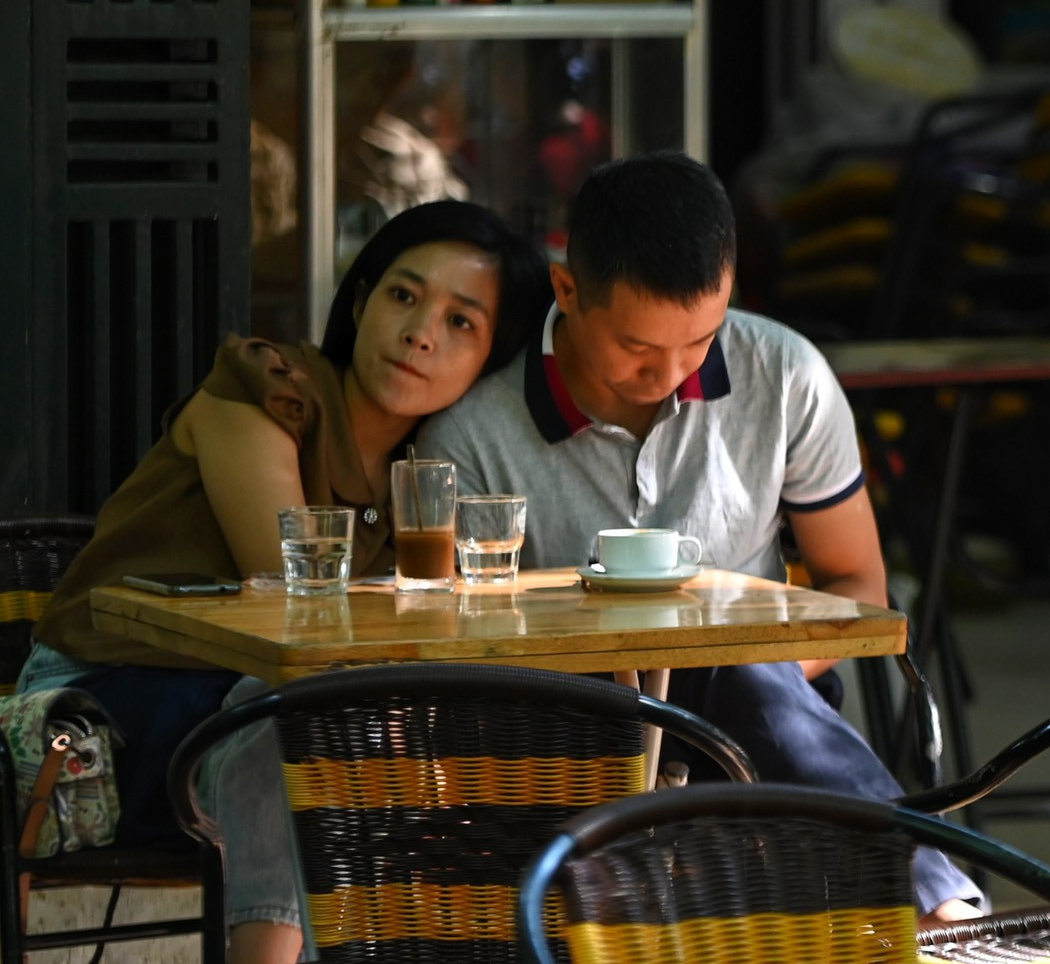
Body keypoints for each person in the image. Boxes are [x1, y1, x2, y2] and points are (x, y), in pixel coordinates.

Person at [16, 200, 549, 964]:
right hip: (94, 715)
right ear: (360, 299)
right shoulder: (266, 392)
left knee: (370, 743)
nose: (420, 332)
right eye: (403, 296)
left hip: (252, 733)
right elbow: (291, 609)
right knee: (302, 716)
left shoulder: (430, 474)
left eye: (461, 323)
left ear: (488, 361)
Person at [418, 152, 983, 921]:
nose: (673, 373)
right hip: (575, 740)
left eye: (701, 340)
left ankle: (932, 908)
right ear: (567, 291)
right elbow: (460, 658)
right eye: (638, 350)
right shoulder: (474, 439)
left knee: (733, 661)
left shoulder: (784, 376)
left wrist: (742, 666)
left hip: (762, 729)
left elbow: (857, 586)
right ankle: (941, 909)